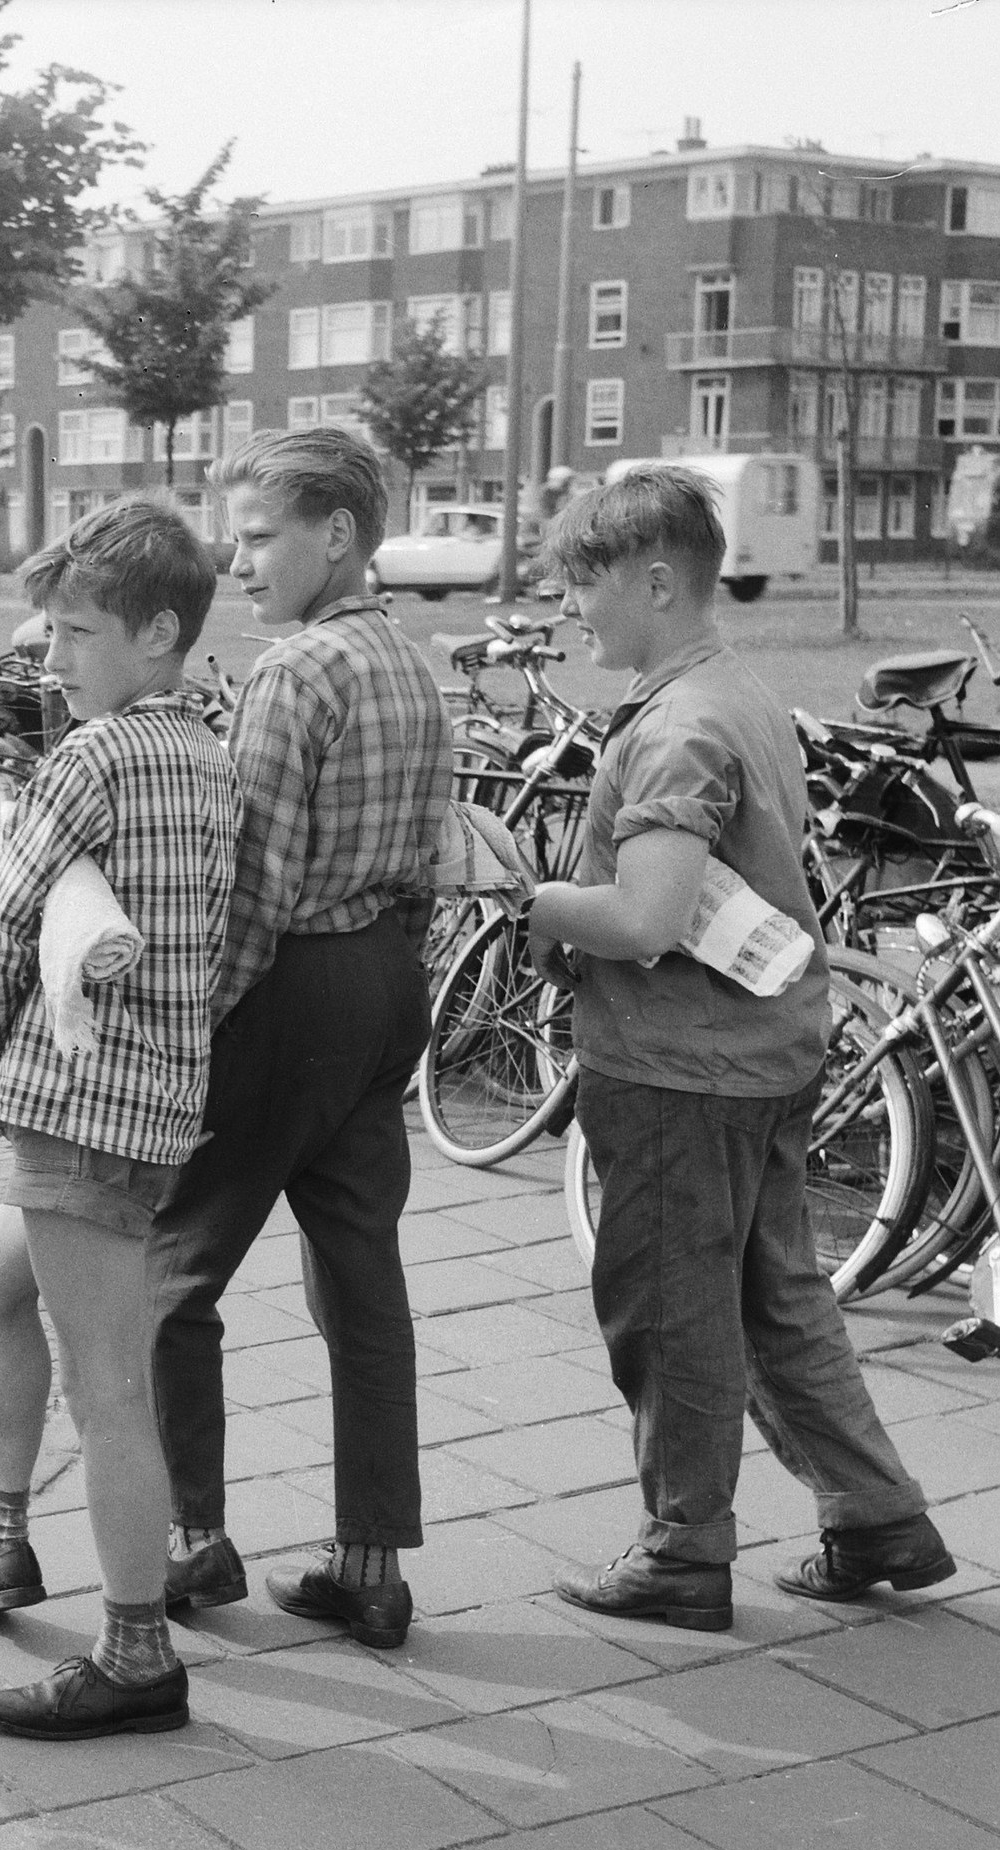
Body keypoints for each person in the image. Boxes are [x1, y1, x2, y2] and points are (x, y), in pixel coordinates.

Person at [527, 464, 953, 1627]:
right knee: (777, 1301)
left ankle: (680, 1551)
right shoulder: (738, 694)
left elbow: (645, 917)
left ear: (654, 580)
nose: (569, 606)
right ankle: (877, 1517)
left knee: (669, 1312)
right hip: (763, 1051)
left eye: (581, 581)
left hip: (676, 1069)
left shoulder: (676, 728)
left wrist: (530, 898)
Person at [0, 498, 238, 1740]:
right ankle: (0, 1542)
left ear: (156, 632)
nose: (48, 658)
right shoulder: (205, 752)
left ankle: (132, 1655)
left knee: (104, 1386)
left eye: (73, 633)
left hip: (73, 1102)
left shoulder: (90, 759)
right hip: (155, 1092)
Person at [146, 427, 452, 1651]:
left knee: (173, 1270)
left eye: (261, 536)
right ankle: (368, 1562)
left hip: (293, 988)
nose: (238, 560)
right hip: (388, 978)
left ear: (335, 536)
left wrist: (189, 1028)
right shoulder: (408, 661)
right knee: (361, 1275)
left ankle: (190, 1538)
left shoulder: (292, 674)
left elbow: (250, 885)